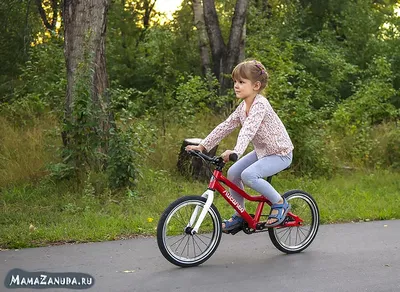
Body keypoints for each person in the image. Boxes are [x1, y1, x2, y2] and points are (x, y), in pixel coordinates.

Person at [185, 59, 294, 232]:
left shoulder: (260, 105)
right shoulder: (243, 107)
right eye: (235, 81)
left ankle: (280, 203)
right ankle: (240, 215)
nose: (236, 85)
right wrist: (203, 146)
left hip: (280, 153)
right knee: (234, 172)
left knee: (249, 175)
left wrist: (236, 151)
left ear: (256, 85)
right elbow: (226, 126)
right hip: (262, 152)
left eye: (241, 82)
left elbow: (248, 130)